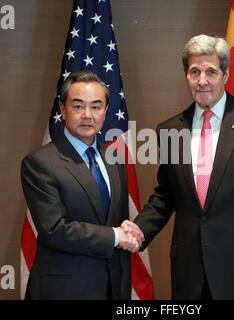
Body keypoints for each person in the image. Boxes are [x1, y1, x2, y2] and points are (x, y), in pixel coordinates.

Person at [123, 34, 234, 300]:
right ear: (186, 76)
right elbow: (166, 195)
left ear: (225, 74)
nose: (202, 80)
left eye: (211, 71)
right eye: (195, 72)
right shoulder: (171, 130)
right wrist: (139, 228)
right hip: (190, 272)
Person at [21, 70, 143, 300]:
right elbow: (54, 230)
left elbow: (112, 219)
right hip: (64, 290)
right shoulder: (39, 163)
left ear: (106, 111)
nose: (87, 115)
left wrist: (127, 229)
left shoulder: (115, 159)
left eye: (96, 107)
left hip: (113, 287)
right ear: (62, 109)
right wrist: (116, 236)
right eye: (78, 106)